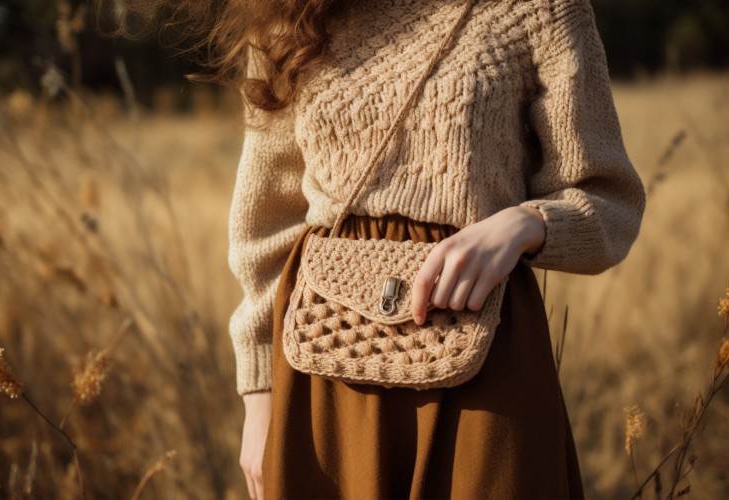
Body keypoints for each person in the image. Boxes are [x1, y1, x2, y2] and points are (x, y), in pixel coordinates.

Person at [223, 0, 647, 498]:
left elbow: (609, 199)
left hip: (484, 363)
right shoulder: (291, 14)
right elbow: (264, 223)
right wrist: (258, 394)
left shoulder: (540, 9)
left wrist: (524, 224)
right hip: (323, 372)